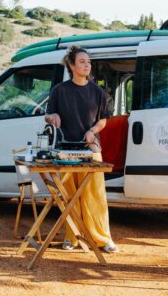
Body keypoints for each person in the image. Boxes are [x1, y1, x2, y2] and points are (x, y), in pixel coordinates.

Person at [45, 45, 119, 253]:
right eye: (82, 62)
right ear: (71, 65)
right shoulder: (60, 90)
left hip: (91, 147)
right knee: (69, 195)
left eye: (89, 62)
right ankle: (72, 237)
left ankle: (103, 238)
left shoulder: (97, 91)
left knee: (95, 194)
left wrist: (92, 130)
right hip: (65, 149)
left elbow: (103, 121)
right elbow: (48, 115)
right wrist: (54, 117)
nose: (87, 65)